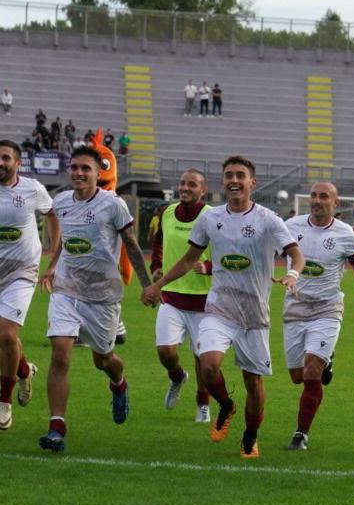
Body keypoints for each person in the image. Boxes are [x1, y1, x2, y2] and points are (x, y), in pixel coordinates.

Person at [141, 156, 305, 458]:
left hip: (254, 314)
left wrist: (293, 274)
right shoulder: (210, 218)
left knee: (253, 382)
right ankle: (226, 405)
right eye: (229, 175)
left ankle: (250, 435)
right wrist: (157, 285)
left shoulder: (268, 219)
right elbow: (189, 259)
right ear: (222, 181)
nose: (234, 180)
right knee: (208, 364)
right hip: (219, 308)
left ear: (252, 182)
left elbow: (296, 254)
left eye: (240, 175)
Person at [36, 146, 153, 451]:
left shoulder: (113, 204)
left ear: (98, 173)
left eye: (86, 168)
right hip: (66, 290)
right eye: (74, 167)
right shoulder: (61, 201)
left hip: (102, 296)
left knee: (104, 360)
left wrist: (147, 285)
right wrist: (52, 268)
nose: (79, 173)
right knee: (60, 354)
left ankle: (119, 384)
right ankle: (57, 427)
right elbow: (65, 241)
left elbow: (131, 244)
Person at [282, 181, 354, 450]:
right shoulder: (291, 227)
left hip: (327, 308)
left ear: (335, 203)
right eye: (313, 195)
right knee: (297, 376)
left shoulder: (346, 234)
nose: (317, 200)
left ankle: (301, 434)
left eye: (324, 196)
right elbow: (267, 253)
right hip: (295, 307)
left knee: (312, 371)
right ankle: (328, 360)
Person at [149, 168, 215, 422]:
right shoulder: (167, 212)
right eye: (182, 183)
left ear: (203, 190)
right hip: (171, 296)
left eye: (192, 184)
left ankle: (203, 403)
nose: (185, 188)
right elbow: (159, 240)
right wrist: (157, 266)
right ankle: (177, 377)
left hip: (204, 300)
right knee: (165, 351)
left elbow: (226, 251)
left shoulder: (213, 216)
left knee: (203, 359)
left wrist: (208, 267)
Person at [0, 139, 54, 430]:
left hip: (22, 270)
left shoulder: (33, 189)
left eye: (6, 158)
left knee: (7, 334)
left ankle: (4, 401)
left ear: (17, 163)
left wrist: (54, 254)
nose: (0, 163)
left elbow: (52, 214)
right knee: (3, 339)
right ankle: (23, 370)